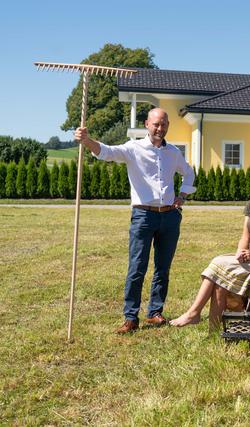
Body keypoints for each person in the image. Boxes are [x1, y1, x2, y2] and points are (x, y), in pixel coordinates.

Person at [74, 108, 195, 334]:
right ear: (147, 124)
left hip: (169, 217)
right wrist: (87, 140)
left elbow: (189, 173)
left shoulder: (173, 152)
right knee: (137, 267)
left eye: (164, 124)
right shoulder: (133, 148)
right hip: (143, 216)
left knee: (163, 268)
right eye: (156, 124)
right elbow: (107, 152)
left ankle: (155, 312)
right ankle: (131, 317)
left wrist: (183, 196)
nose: (160, 128)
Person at [170, 163, 250, 328]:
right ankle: (214, 329)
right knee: (219, 275)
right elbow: (245, 236)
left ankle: (194, 313)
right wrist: (241, 251)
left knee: (217, 265)